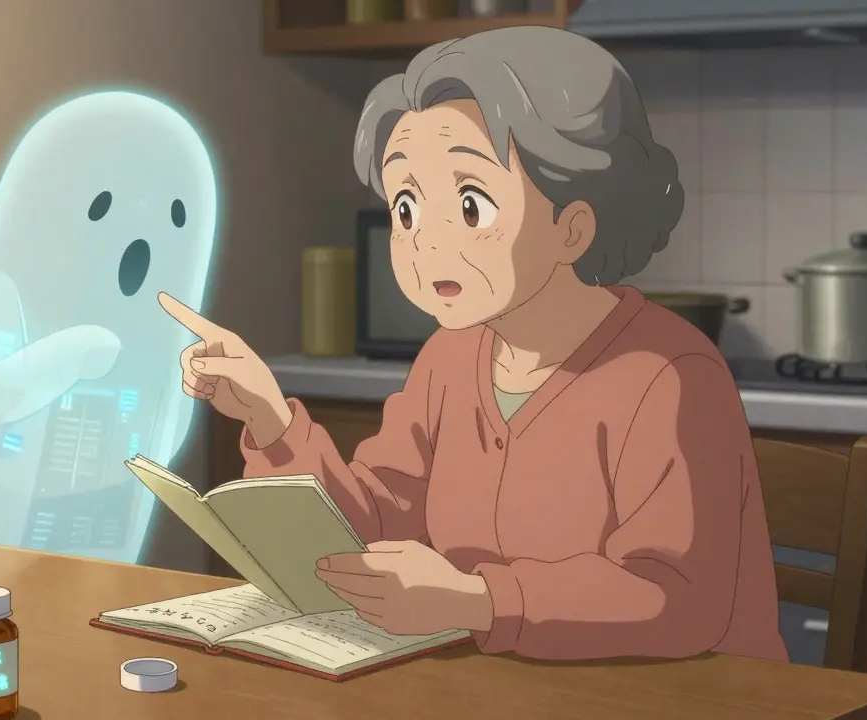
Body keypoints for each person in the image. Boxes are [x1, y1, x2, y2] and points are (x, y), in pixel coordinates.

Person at [159, 25, 789, 663]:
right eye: (407, 207)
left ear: (574, 225)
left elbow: (678, 598)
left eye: (470, 205)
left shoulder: (671, 376)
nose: (426, 243)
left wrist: (478, 601)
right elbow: (374, 525)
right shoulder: (451, 358)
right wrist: (270, 418)